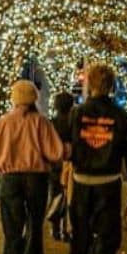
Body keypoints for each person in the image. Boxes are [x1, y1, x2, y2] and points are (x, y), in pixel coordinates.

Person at [68, 61, 127, 254]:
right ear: (112, 86)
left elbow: (67, 144)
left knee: (80, 228)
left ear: (88, 84)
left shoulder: (77, 114)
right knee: (107, 232)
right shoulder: (121, 117)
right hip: (108, 181)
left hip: (81, 180)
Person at [0, 79, 65, 254]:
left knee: (12, 230)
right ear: (34, 99)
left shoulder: (3, 123)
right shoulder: (42, 123)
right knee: (34, 226)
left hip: (10, 178)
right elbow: (55, 153)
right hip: (36, 179)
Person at [47, 88, 76, 241]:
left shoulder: (52, 123)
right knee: (70, 196)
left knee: (56, 195)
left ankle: (55, 227)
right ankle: (67, 229)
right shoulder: (74, 122)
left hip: (55, 164)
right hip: (71, 165)